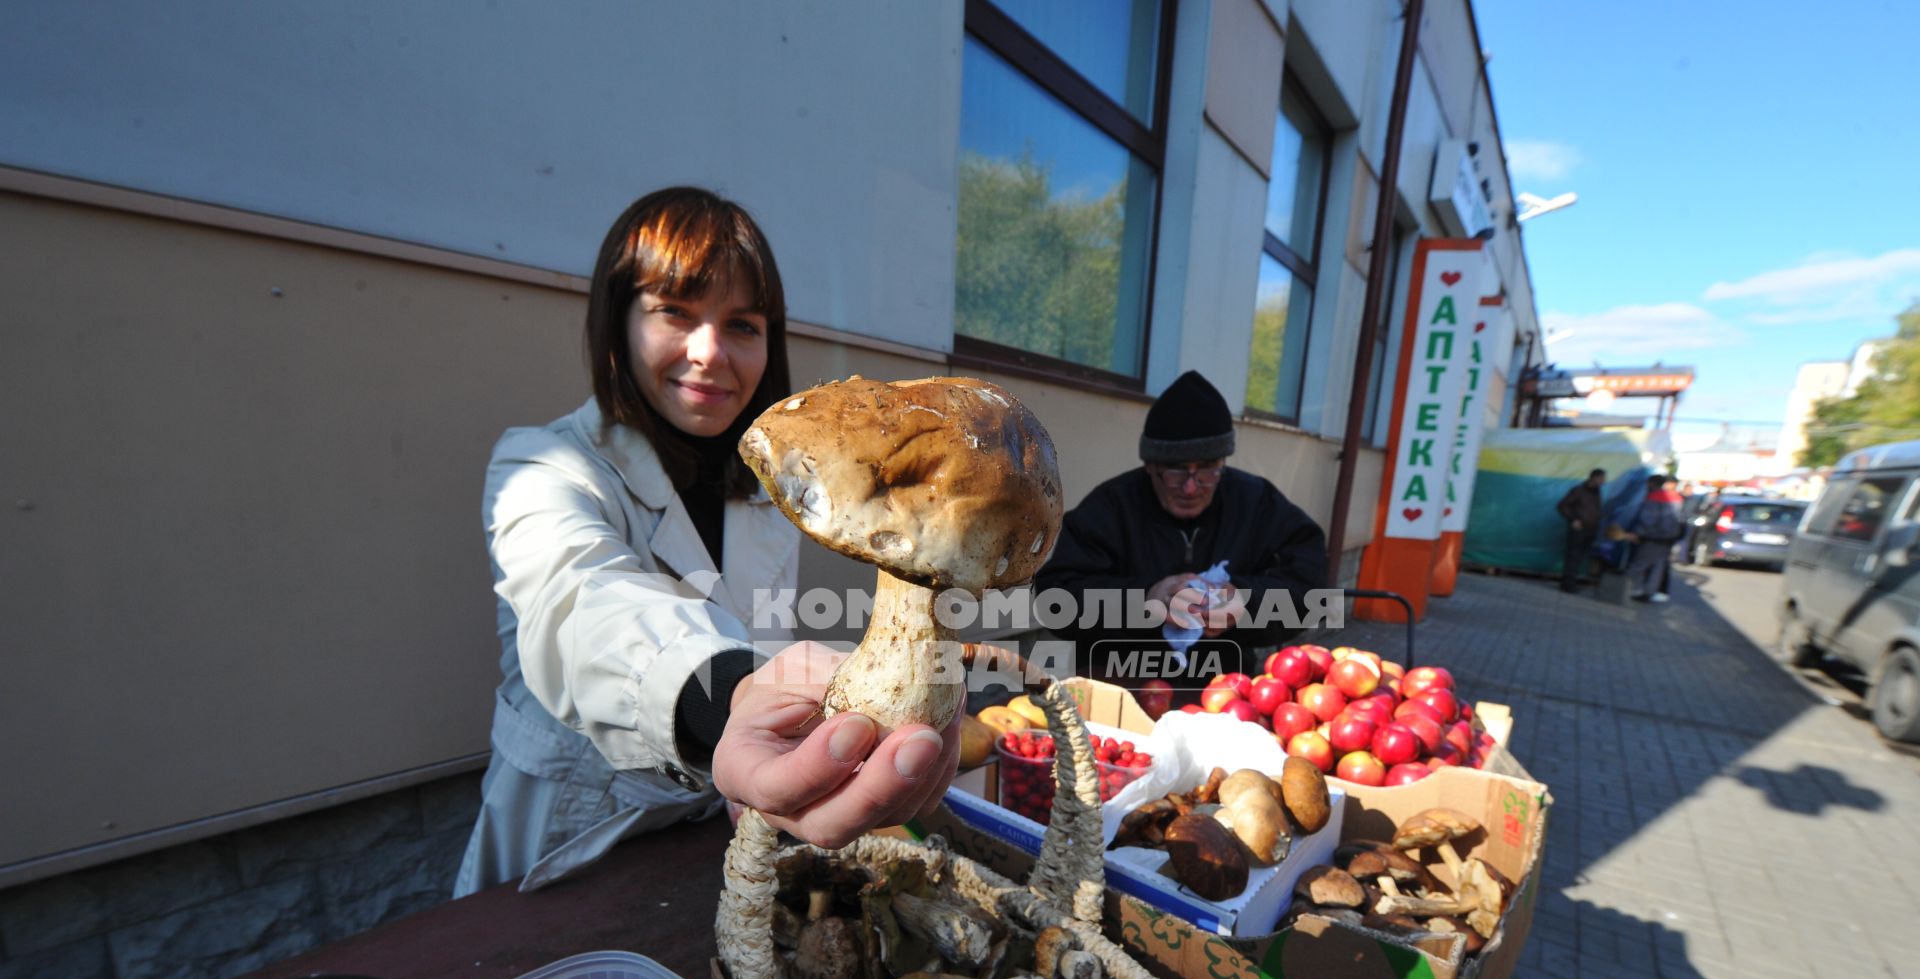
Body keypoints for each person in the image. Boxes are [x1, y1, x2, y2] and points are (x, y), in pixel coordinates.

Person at [456, 187, 958, 897]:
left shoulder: (769, 493)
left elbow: (764, 642)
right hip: (569, 859)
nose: (710, 352)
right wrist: (736, 698)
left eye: (743, 324)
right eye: (675, 313)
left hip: (716, 847)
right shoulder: (543, 466)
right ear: (617, 320)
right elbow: (583, 605)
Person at [1033, 370, 1328, 688]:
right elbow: (1054, 599)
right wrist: (1145, 600)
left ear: (1222, 463)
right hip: (1118, 687)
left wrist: (1244, 601)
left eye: (1206, 471)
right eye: (1174, 472)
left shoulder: (1257, 503)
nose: (1190, 487)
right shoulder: (1111, 506)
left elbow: (1309, 590)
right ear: (1150, 466)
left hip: (1224, 691)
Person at [1624, 473, 1685, 603]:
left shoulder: (1654, 497)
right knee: (1658, 566)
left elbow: (1647, 520)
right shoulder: (1676, 497)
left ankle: (1635, 589)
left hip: (1652, 537)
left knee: (1638, 565)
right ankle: (1649, 592)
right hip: (1668, 539)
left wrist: (1637, 533)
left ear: (1651, 483)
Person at [1556, 468, 1606, 592]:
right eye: (1601, 478)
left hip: (1591, 529)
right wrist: (1573, 519)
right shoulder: (1579, 490)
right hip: (1580, 529)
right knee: (1573, 556)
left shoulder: (1597, 492)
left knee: (1579, 557)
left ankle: (1571, 582)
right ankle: (1567, 585)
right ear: (1594, 477)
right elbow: (1562, 505)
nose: (1603, 481)